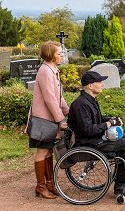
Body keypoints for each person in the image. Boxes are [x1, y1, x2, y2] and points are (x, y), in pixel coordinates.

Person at [68, 71, 125, 195]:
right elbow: (88, 130)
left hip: (94, 140)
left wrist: (112, 119)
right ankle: (121, 184)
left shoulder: (90, 100)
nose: (102, 84)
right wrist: (108, 124)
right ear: (90, 86)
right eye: (99, 82)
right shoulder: (81, 104)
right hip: (87, 143)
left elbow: (98, 119)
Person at [29, 41, 69, 199]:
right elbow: (50, 99)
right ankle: (40, 186)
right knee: (42, 151)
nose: (61, 55)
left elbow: (59, 97)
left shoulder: (53, 70)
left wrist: (69, 111)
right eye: (59, 53)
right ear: (50, 55)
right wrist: (60, 119)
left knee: (48, 151)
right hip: (43, 120)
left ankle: (50, 184)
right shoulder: (45, 71)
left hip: (50, 119)